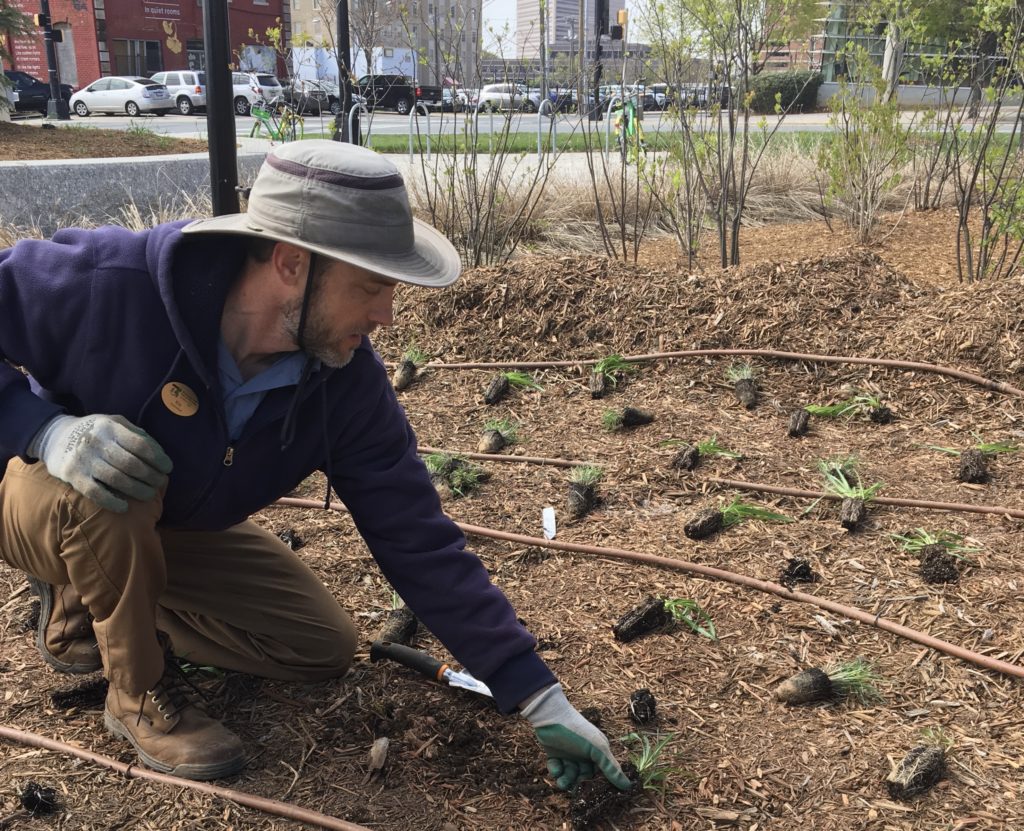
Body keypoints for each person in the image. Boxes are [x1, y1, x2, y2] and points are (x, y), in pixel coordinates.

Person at [0, 140, 631, 791]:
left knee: (319, 644)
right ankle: (137, 692)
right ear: (291, 263)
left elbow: (417, 536)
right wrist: (43, 430)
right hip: (44, 496)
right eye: (370, 287)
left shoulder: (346, 382)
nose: (385, 315)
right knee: (119, 479)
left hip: (168, 526)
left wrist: (536, 694)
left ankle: (90, 599)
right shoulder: (110, 285)